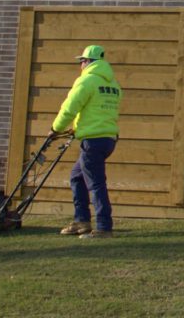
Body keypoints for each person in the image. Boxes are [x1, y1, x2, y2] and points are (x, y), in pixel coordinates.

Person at [50, 44, 121, 239]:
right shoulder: (113, 85)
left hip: (93, 141)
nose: (80, 65)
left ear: (88, 61)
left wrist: (56, 129)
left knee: (96, 183)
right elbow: (98, 111)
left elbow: (70, 108)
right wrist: (78, 127)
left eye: (81, 61)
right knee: (77, 177)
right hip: (108, 139)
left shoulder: (86, 81)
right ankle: (81, 220)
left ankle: (104, 227)